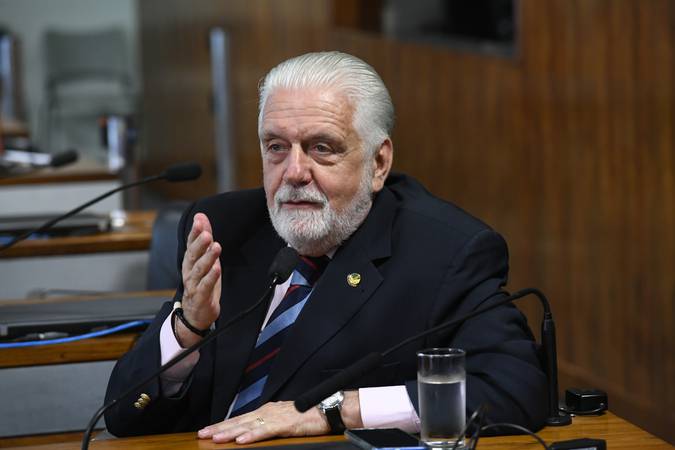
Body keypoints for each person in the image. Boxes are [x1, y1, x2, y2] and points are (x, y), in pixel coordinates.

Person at [105, 51, 547, 443]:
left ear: (379, 162)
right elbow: (122, 418)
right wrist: (188, 331)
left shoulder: (445, 251)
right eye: (276, 147)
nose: (294, 171)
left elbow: (516, 388)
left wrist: (333, 411)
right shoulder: (223, 228)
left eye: (322, 148)